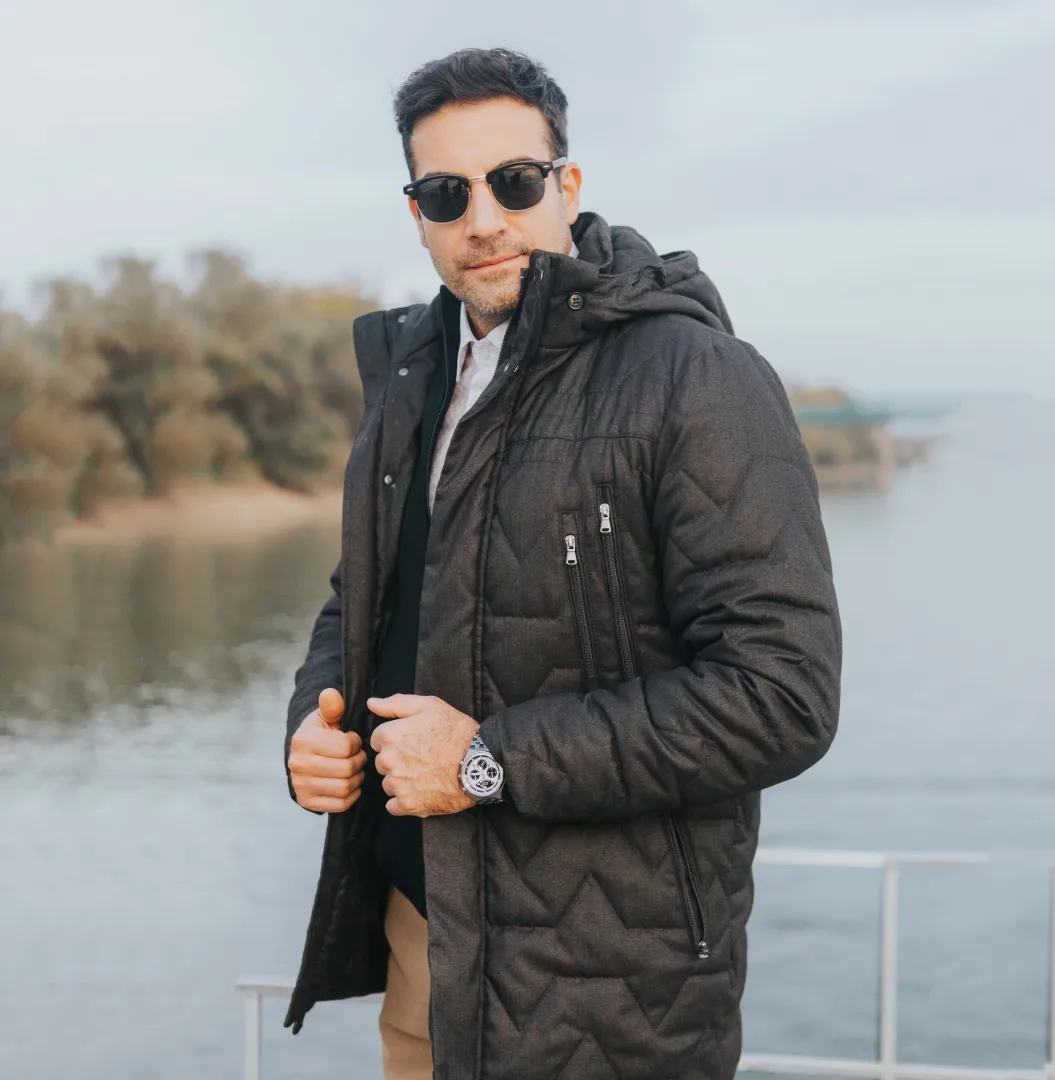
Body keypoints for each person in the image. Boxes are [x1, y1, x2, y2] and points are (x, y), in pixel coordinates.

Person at [282, 46, 842, 1080]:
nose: (483, 219)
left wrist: (486, 759)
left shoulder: (698, 376)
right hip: (425, 943)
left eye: (514, 181)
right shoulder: (413, 379)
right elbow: (360, 601)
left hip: (608, 992)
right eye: (447, 194)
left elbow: (781, 696)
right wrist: (316, 730)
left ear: (567, 185)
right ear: (416, 213)